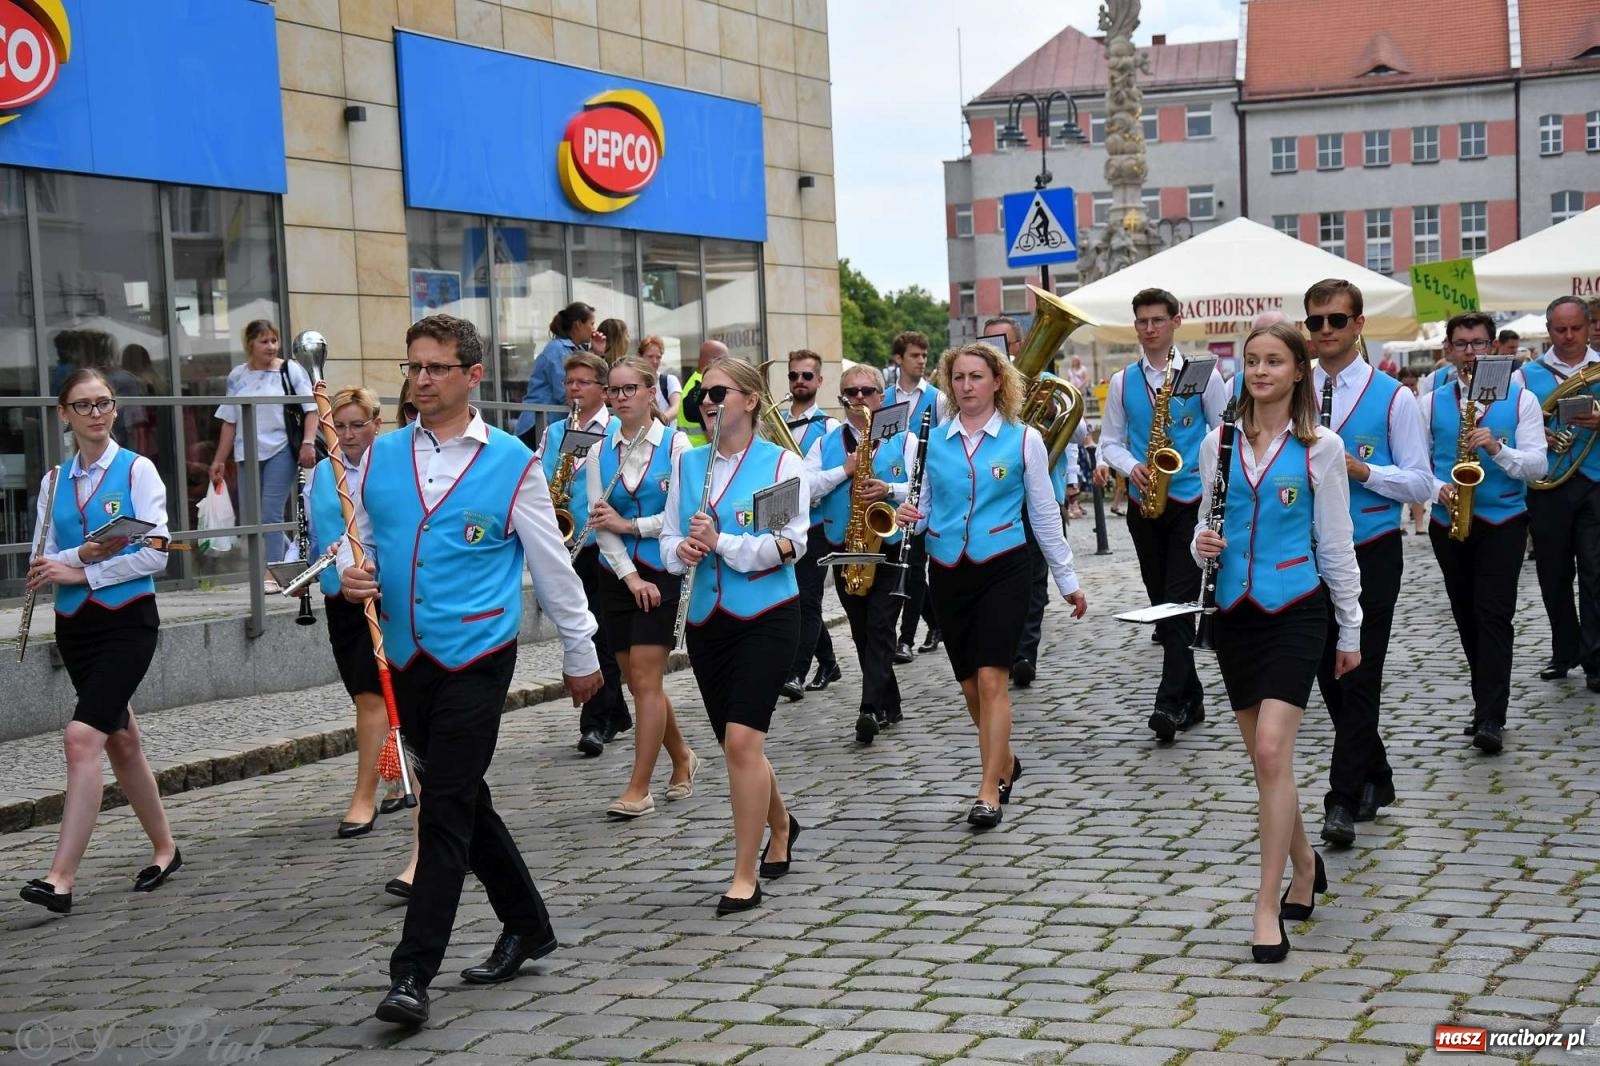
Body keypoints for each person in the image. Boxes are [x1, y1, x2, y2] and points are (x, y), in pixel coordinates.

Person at [340, 314, 602, 1027]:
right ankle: (528, 922)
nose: (420, 380)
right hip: (405, 655)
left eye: (435, 368)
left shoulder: (513, 462)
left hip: (479, 655)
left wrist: (580, 652)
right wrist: (349, 575)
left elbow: (551, 565)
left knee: (445, 807)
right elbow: (353, 538)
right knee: (465, 796)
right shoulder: (382, 456)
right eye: (412, 367)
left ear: (472, 375)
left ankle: (411, 973)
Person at [1191, 322, 1363, 964]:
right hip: (1235, 610)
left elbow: (1337, 543)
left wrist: (1350, 628)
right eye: (1252, 361)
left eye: (1274, 361)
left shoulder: (1321, 446)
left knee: (1270, 751)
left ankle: (1265, 906)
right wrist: (1199, 546)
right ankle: (1305, 865)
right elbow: (1208, 530)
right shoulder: (1217, 442)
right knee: (1269, 767)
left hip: (1297, 608)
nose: (1260, 371)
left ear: (1298, 372)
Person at [895, 342, 1088, 830]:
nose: (966, 387)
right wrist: (907, 517)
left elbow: (1045, 514)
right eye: (958, 378)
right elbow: (926, 511)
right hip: (948, 570)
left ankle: (988, 791)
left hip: (1004, 567)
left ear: (997, 382)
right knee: (968, 688)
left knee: (991, 679)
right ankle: (1004, 759)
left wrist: (1067, 579)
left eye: (976, 377)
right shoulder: (928, 442)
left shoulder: (1024, 440)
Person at [19, 369, 182, 916]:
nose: (95, 413)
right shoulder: (51, 481)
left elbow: (156, 552)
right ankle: (166, 848)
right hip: (77, 628)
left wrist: (84, 569)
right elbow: (45, 561)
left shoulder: (138, 471)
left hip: (128, 621)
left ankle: (60, 879)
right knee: (122, 741)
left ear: (115, 411)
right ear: (63, 414)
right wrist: (78, 560)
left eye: (104, 403)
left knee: (81, 738)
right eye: (82, 405)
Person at [661, 356, 809, 915]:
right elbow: (669, 538)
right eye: (702, 391)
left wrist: (721, 543)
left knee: (744, 743)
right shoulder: (688, 463)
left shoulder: (781, 466)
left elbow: (786, 545)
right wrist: (681, 549)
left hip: (768, 615)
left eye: (720, 392)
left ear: (750, 399)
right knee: (735, 742)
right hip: (708, 620)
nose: (707, 400)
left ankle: (743, 875)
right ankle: (782, 824)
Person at [1303, 280, 1434, 848]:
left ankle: (1341, 798)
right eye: (1315, 322)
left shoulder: (1393, 397)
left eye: (1336, 320)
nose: (1325, 331)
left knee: (1359, 670)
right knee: (1324, 671)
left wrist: (1364, 473)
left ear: (1358, 325)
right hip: (1306, 551)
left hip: (1372, 544)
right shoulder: (1293, 387)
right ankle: (1376, 774)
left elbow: (1422, 481)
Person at [1095, 288, 1227, 741]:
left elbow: (1223, 430)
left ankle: (1169, 702)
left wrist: (1210, 484)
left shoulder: (1202, 375)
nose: (1150, 328)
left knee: (1175, 602)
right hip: (1144, 504)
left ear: (1176, 321)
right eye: (1142, 321)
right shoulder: (1122, 381)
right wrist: (1133, 465)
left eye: (1157, 320)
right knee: (1163, 605)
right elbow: (1109, 441)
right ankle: (1192, 696)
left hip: (1190, 502)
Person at [1422, 312, 1548, 755]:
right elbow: (1418, 463)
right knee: (1466, 614)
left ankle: (1491, 715)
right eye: (1462, 344)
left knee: (1494, 615)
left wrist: (1497, 447)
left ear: (1493, 347)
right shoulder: (1430, 400)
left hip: (1504, 520)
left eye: (1478, 343)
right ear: (1448, 350)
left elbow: (1538, 466)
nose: (1471, 353)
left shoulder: (1521, 400)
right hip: (1450, 521)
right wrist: (1437, 491)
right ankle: (1484, 700)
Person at [584, 357, 699, 818]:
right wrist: (628, 576)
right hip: (616, 576)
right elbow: (598, 520)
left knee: (648, 680)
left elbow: (680, 515)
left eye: (631, 387)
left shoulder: (678, 446)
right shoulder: (598, 452)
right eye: (614, 390)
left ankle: (639, 787)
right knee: (635, 681)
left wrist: (630, 525)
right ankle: (683, 757)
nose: (622, 396)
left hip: (664, 571)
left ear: (653, 393)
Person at [805, 364, 916, 743]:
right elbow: (805, 488)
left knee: (882, 625)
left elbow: (921, 485)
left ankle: (868, 708)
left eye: (867, 391)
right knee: (861, 629)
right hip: (845, 545)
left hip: (889, 544)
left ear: (881, 398)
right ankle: (891, 703)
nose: (858, 398)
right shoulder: (826, 443)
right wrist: (843, 471)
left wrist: (890, 488)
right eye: (850, 393)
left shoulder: (906, 439)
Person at [536, 351, 631, 757]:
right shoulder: (555, 432)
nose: (574, 389)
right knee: (587, 630)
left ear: (603, 390)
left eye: (583, 382)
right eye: (569, 382)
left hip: (602, 544)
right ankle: (616, 712)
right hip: (566, 546)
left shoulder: (617, 432)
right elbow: (541, 482)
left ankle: (594, 722)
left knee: (602, 633)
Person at [1514, 296, 1600, 688]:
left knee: (1596, 572)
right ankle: (1564, 649)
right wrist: (1534, 430)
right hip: (1547, 485)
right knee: (1553, 573)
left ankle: (1596, 657)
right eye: (1560, 330)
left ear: (1588, 327)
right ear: (1548, 331)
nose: (1568, 337)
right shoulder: (1525, 375)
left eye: (1576, 329)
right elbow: (1507, 422)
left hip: (1595, 482)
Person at [209, 320, 319, 585]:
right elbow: (230, 420)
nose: (271, 346)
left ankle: (271, 574)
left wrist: (307, 442)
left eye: (274, 340)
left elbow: (311, 409)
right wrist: (218, 460)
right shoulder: (238, 375)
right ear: (250, 344)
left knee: (270, 514)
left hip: (281, 449)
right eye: (264, 341)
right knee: (253, 519)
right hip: (246, 452)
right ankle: (293, 561)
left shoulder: (289, 369)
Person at [781, 349, 842, 700]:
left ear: (819, 381)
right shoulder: (774, 423)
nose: (799, 382)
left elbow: (827, 480)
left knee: (807, 598)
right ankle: (829, 661)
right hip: (781, 524)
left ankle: (795, 673)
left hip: (815, 523)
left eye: (806, 376)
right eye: (793, 376)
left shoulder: (829, 428)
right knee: (797, 597)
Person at [883, 331, 944, 661]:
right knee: (900, 567)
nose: (922, 361)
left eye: (924, 355)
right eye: (915, 355)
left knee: (915, 565)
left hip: (923, 493)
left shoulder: (937, 398)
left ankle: (904, 639)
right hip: (890, 495)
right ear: (898, 359)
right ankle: (936, 623)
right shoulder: (886, 398)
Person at [516, 302, 595, 433]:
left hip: (552, 423)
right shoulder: (558, 350)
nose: (594, 329)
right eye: (591, 324)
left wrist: (598, 352)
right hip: (539, 423)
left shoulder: (576, 350)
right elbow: (564, 392)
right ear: (578, 325)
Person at [676, 339, 727, 447]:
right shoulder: (704, 389)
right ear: (714, 361)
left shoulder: (694, 382)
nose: (728, 366)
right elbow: (711, 433)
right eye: (725, 361)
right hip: (703, 456)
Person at [1397, 367, 1430, 534]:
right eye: (1406, 384)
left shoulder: (1422, 399)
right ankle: (1398, 523)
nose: (1410, 388)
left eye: (1412, 384)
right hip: (1398, 443)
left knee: (1417, 485)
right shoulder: (1397, 397)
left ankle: (1419, 524)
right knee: (1397, 487)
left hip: (1418, 443)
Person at [639, 335, 683, 423]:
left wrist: (659, 422)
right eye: (650, 357)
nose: (655, 361)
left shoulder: (669, 380)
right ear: (640, 357)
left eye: (658, 357)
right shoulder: (634, 382)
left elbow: (677, 407)